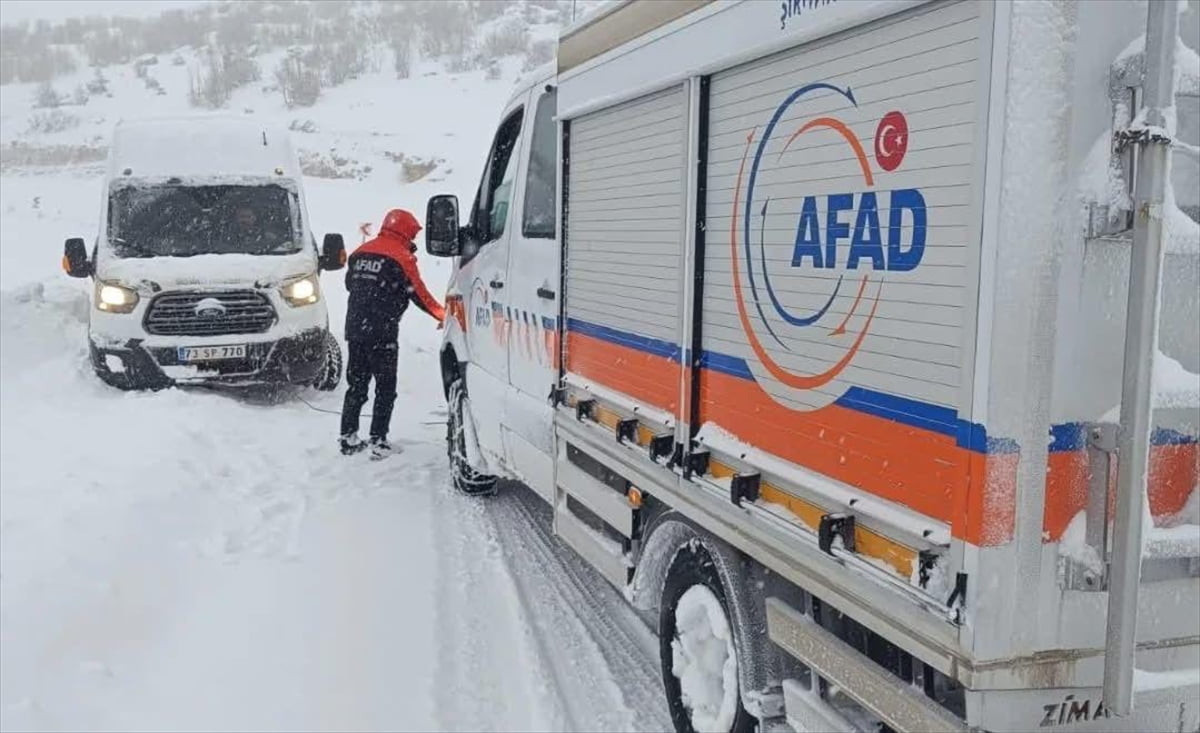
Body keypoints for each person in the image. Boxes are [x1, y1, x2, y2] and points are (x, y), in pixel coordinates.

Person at [340, 208, 445, 457]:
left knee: (356, 385)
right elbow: (419, 294)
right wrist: (443, 314)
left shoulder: (358, 254)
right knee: (385, 388)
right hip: (382, 332)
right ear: (406, 231)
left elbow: (349, 285)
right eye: (413, 236)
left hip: (355, 329)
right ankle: (378, 439)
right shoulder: (400, 257)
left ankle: (348, 437)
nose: (414, 241)